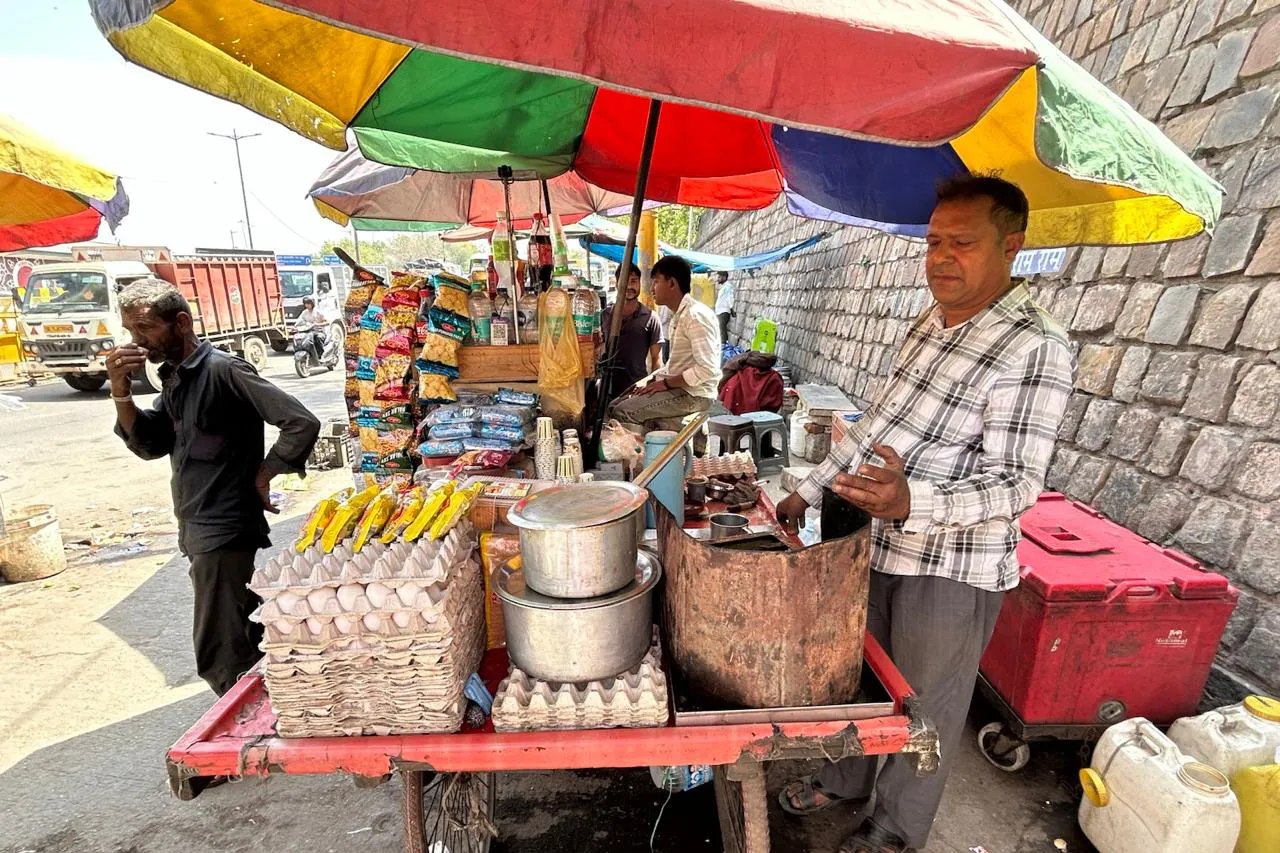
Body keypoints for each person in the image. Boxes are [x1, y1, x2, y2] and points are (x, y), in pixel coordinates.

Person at [774, 176, 1072, 853]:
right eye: (934, 240)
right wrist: (810, 486)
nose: (940, 257)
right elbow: (879, 422)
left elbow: (1017, 484)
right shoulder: (930, 320)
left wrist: (917, 502)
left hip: (953, 568)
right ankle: (847, 777)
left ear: (1012, 245)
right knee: (858, 670)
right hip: (877, 542)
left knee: (924, 703)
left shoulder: (1035, 347)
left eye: (961, 243)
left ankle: (895, 829)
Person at [106, 278, 320, 696]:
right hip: (199, 524)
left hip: (223, 526)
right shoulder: (175, 377)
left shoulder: (223, 370)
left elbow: (300, 421)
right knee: (241, 631)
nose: (138, 341)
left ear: (181, 323)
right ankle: (274, 707)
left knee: (220, 650)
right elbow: (151, 444)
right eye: (132, 332)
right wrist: (120, 391)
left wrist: (264, 472)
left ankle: (241, 735)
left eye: (146, 329)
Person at [607, 256, 720, 428]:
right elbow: (674, 366)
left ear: (672, 283)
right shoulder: (679, 316)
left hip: (695, 394)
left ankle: (644, 454)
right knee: (614, 404)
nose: (652, 288)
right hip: (681, 388)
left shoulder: (695, 316)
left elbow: (707, 369)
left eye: (656, 282)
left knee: (623, 412)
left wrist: (665, 384)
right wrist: (649, 380)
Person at [600, 266, 662, 395]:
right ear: (616, 284)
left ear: (640, 283)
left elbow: (656, 359)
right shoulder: (605, 315)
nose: (629, 286)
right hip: (606, 388)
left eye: (634, 281)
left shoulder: (650, 317)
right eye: (624, 281)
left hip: (636, 389)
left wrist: (653, 386)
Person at [295, 296, 327, 362]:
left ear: (312, 304)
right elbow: (299, 321)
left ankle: (321, 355)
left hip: (319, 331)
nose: (307, 305)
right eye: (306, 304)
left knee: (318, 338)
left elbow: (327, 322)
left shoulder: (318, 312)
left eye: (308, 304)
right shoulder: (304, 312)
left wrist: (318, 324)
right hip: (308, 331)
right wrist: (295, 327)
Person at [713, 270, 735, 342]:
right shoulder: (724, 287)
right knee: (720, 328)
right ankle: (722, 344)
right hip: (720, 311)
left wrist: (731, 308)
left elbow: (730, 297)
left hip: (724, 311)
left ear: (724, 277)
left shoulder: (728, 286)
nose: (718, 279)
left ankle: (724, 344)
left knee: (721, 328)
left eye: (719, 277)